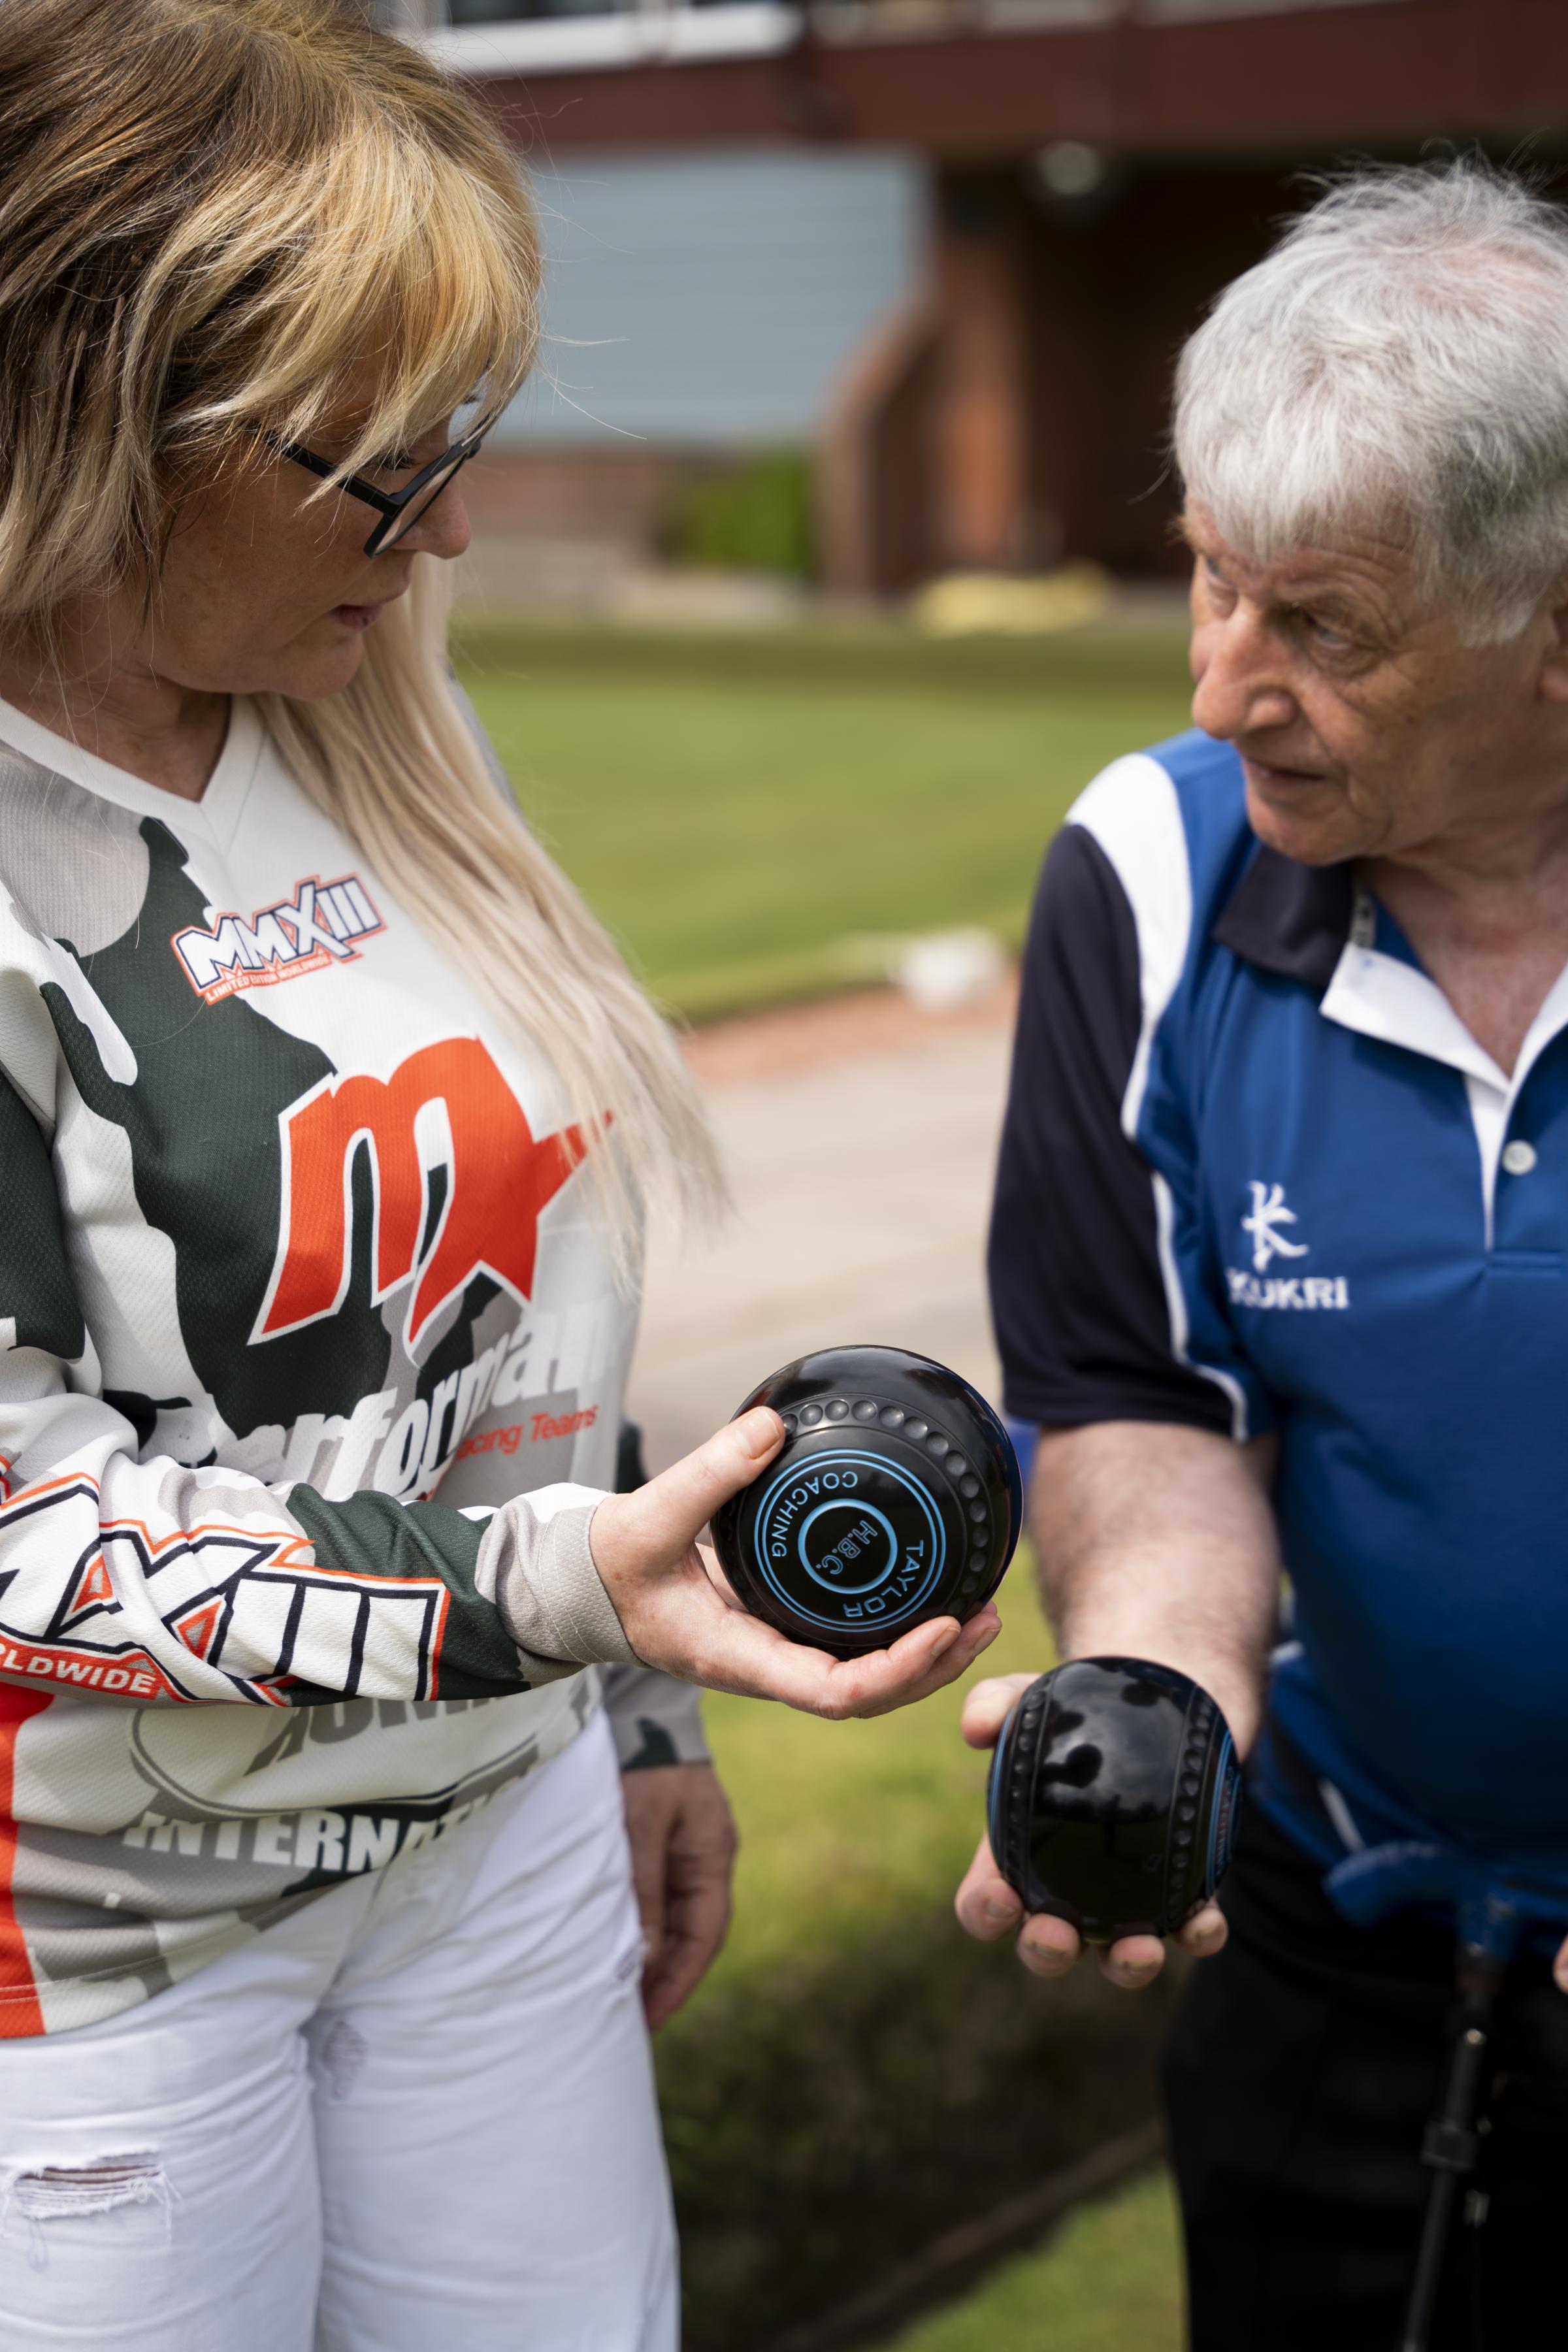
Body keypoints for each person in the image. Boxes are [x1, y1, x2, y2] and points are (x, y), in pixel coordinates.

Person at [0, 5, 999, 2346]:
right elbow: (22, 1526)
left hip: (498, 1851)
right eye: (383, 461)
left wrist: (627, 1714)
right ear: (106, 403)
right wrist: (567, 1596)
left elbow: (517, 1294)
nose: (450, 525)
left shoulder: (387, 719)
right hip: (105, 1951)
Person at [956, 160, 1568, 2348]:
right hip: (1334, 1935)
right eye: (1212, 579)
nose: (1224, 692)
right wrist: (1167, 1688)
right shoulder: (1147, 869)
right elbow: (1135, 1387)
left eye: (1323, 626)